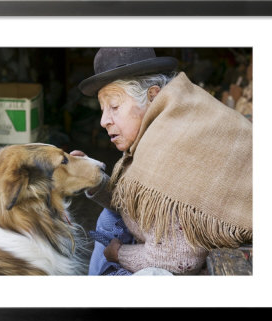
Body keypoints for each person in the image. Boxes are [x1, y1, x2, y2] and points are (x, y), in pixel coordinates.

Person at [71, 48, 253, 275]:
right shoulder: (168, 121)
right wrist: (94, 179)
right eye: (103, 110)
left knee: (152, 276)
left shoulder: (176, 142)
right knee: (109, 219)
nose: (104, 121)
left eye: (115, 107)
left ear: (153, 95)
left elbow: (179, 258)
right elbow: (131, 200)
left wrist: (118, 253)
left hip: (185, 263)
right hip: (164, 246)